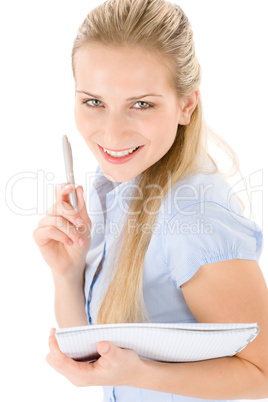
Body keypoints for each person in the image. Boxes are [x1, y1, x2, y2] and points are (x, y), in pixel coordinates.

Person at [33, 0, 268, 401]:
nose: (111, 134)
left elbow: (262, 373)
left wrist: (142, 373)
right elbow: (94, 356)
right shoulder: (119, 183)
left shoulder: (193, 215)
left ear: (186, 105)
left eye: (141, 104)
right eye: (94, 102)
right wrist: (68, 273)